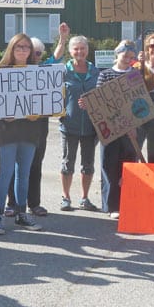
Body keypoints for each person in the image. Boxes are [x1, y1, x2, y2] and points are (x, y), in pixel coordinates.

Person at [6, 26, 68, 217]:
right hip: (13, 124)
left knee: (35, 164)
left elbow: (56, 59)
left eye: (39, 52)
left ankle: (34, 203)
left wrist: (63, 40)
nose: (37, 55)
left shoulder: (43, 70)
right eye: (34, 52)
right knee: (12, 165)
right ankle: (13, 203)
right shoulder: (6, 70)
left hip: (37, 125)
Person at [0, 33, 44, 235]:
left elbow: (44, 101)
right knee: (5, 172)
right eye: (18, 46)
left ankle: (21, 214)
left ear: (31, 51)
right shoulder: (0, 72)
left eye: (26, 47)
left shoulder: (37, 72)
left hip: (30, 129)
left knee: (24, 173)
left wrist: (37, 113)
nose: (22, 50)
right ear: (11, 49)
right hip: (7, 129)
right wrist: (5, 115)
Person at [93, 40, 141, 219]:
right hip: (110, 129)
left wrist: (135, 126)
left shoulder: (135, 74)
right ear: (117, 54)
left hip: (130, 130)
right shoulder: (105, 74)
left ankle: (126, 202)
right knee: (109, 165)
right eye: (125, 55)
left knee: (127, 166)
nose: (128, 59)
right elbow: (99, 100)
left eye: (131, 56)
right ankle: (111, 205)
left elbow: (139, 102)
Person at [59, 35, 101, 212]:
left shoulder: (96, 72)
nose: (79, 52)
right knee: (68, 163)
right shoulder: (63, 72)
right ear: (70, 51)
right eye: (76, 48)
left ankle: (85, 198)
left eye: (82, 48)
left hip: (91, 126)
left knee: (88, 164)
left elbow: (103, 97)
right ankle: (66, 197)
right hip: (70, 125)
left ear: (87, 50)